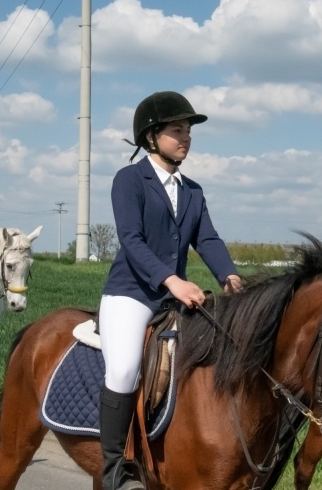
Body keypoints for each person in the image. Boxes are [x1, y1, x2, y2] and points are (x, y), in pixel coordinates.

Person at [98, 91, 242, 490]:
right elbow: (131, 239)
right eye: (177, 130)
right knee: (124, 368)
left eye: (188, 132)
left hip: (171, 297)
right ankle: (113, 469)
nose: (186, 138)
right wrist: (172, 280)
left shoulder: (193, 190)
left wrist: (229, 276)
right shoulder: (129, 180)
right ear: (151, 136)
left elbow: (207, 238)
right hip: (131, 293)